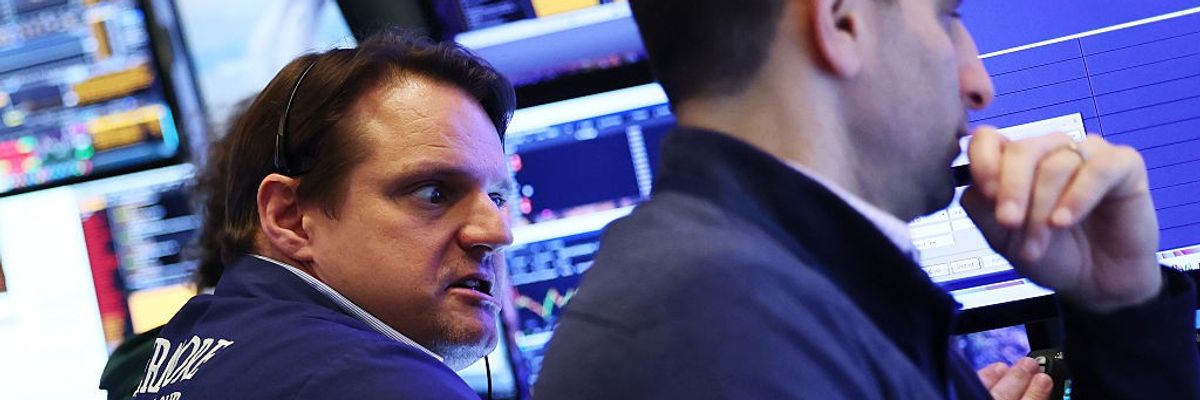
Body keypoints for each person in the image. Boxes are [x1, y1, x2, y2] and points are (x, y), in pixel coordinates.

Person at [534, 0, 1200, 399]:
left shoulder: (752, 296)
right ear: (842, 23)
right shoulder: (716, 341)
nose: (979, 84)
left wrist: (1121, 303)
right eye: (947, 18)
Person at [130, 29, 516, 399]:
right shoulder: (377, 382)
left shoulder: (199, 352)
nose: (496, 232)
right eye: (433, 193)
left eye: (497, 198)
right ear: (290, 219)